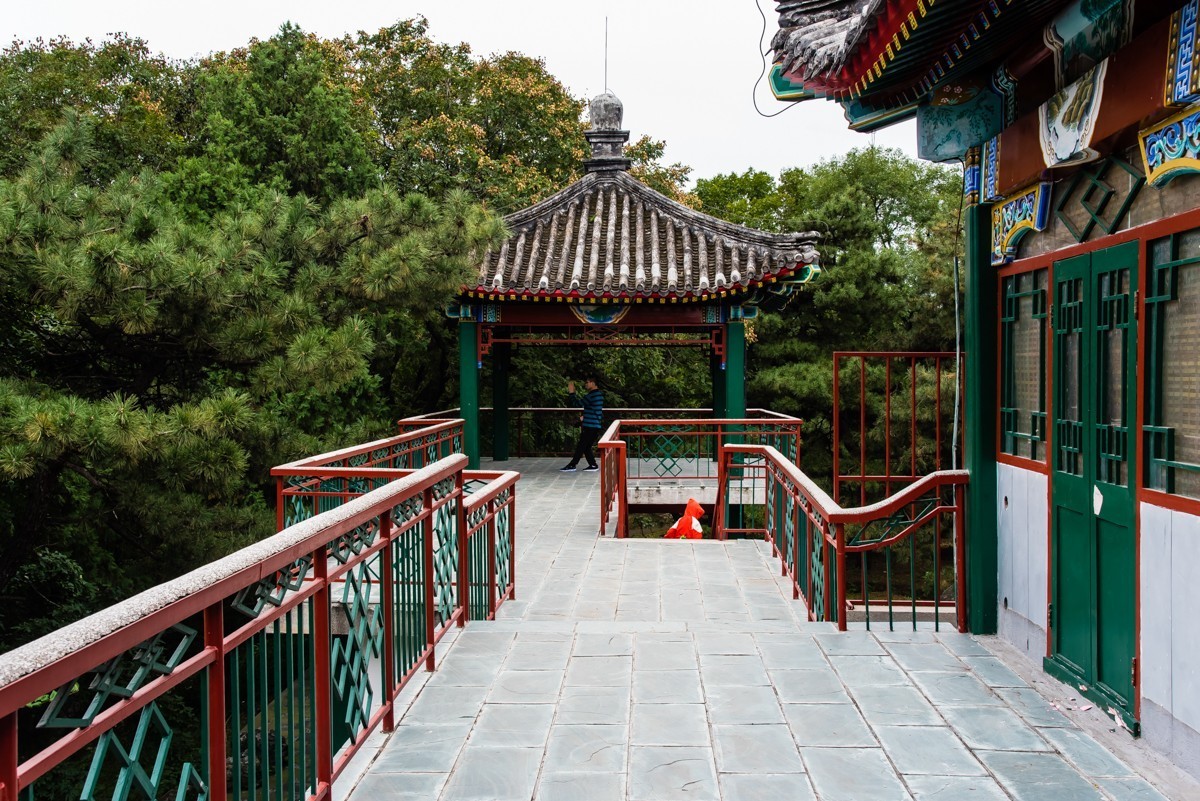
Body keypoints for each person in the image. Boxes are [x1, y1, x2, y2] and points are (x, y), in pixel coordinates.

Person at [560, 376, 604, 472]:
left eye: (587, 382)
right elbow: (593, 409)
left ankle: (572, 465)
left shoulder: (591, 396)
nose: (586, 384)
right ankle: (593, 465)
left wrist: (572, 393)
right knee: (586, 446)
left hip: (590, 426)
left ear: (593, 383)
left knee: (581, 446)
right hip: (594, 425)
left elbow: (577, 404)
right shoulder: (599, 395)